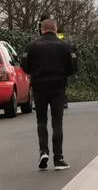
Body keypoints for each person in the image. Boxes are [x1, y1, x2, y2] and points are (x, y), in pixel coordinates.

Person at [21, 16, 76, 171]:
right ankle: (58, 158)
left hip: (39, 86)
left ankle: (43, 152)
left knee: (41, 121)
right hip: (58, 86)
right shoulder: (65, 46)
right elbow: (73, 68)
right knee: (57, 122)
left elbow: (24, 66)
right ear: (56, 29)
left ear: (41, 29)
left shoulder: (31, 46)